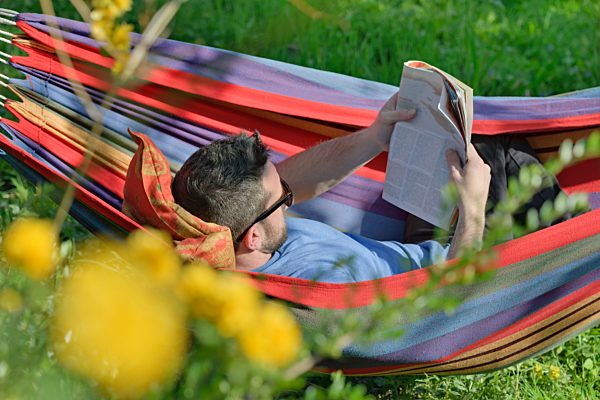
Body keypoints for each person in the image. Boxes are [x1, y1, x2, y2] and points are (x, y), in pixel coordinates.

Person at [172, 94, 563, 282]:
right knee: (505, 156)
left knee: (476, 149)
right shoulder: (317, 284)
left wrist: (375, 136)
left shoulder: (229, 218)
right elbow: (446, 312)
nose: (290, 202)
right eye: (284, 200)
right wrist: (473, 211)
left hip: (426, 251)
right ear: (252, 237)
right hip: (462, 267)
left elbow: (292, 180)